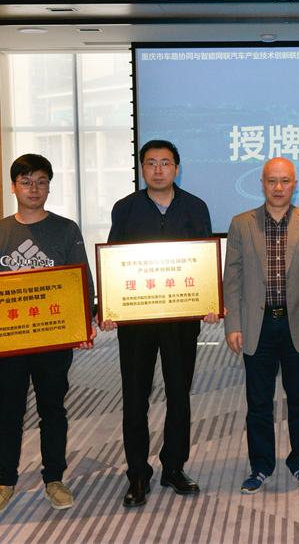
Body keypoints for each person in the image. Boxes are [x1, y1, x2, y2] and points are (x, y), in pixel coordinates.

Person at [0, 153, 97, 517]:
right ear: (13, 186)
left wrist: (85, 324)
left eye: (41, 182)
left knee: (53, 410)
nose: (34, 189)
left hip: (53, 338)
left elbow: (81, 281)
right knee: (9, 413)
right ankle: (4, 482)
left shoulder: (66, 229)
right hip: (9, 340)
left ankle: (54, 479)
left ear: (49, 187)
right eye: (26, 182)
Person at [99, 140, 219, 508]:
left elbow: (204, 258)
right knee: (135, 397)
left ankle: (174, 467)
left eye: (165, 163)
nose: (158, 170)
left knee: (179, 395)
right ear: (142, 169)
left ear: (177, 169)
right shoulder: (126, 208)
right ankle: (137, 473)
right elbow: (114, 259)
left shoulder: (195, 206)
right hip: (137, 319)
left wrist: (211, 301)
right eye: (151, 163)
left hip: (180, 320)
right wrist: (108, 307)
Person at [222, 157, 299, 494]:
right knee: (259, 403)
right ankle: (261, 466)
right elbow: (232, 277)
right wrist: (232, 324)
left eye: (285, 181)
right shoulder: (241, 223)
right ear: (262, 183)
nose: (278, 187)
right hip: (258, 325)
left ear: (295, 184)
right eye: (272, 181)